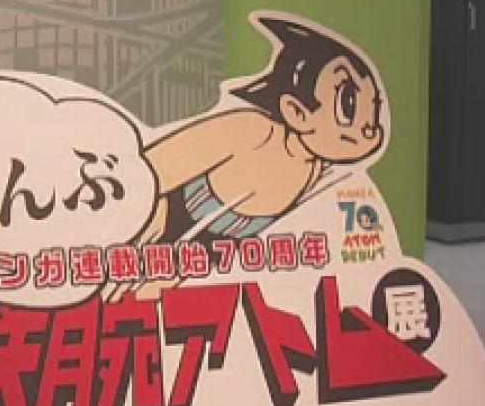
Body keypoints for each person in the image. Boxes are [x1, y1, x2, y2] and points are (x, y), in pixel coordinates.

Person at [112, 16, 386, 302]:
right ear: (296, 112)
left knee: (147, 302)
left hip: (204, 261)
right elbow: (154, 168)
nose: (370, 129)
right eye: (349, 105)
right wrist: (133, 221)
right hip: (156, 219)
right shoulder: (253, 131)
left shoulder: (319, 171)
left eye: (374, 106)